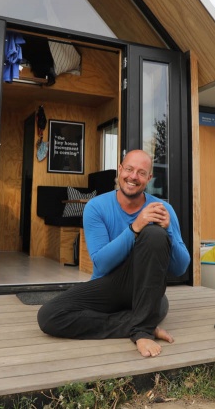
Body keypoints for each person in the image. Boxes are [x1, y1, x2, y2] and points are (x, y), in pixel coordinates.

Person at [37, 149, 190, 357]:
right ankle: (140, 323)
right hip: (108, 285)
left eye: (141, 172)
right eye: (129, 169)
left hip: (146, 290)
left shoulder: (163, 208)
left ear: (149, 178)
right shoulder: (96, 207)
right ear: (120, 170)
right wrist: (135, 228)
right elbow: (102, 263)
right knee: (49, 316)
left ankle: (142, 330)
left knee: (154, 234)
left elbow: (180, 268)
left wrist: (168, 230)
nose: (133, 177)